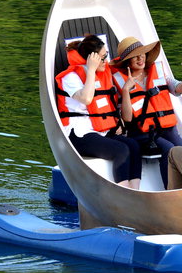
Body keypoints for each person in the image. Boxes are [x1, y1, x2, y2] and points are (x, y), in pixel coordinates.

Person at [55, 34, 142, 189]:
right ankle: (125, 194)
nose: (106, 61)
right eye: (102, 57)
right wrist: (91, 70)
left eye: (106, 55)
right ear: (91, 59)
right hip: (78, 134)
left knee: (133, 146)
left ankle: (136, 192)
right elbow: (87, 98)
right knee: (120, 150)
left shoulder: (104, 74)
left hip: (99, 130)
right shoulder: (71, 77)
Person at [110, 36, 182, 188]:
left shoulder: (158, 72)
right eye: (134, 56)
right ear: (127, 62)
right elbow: (127, 118)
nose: (140, 58)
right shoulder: (120, 82)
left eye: (142, 53)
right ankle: (171, 194)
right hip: (142, 134)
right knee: (169, 150)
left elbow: (178, 89)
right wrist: (125, 91)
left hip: (167, 128)